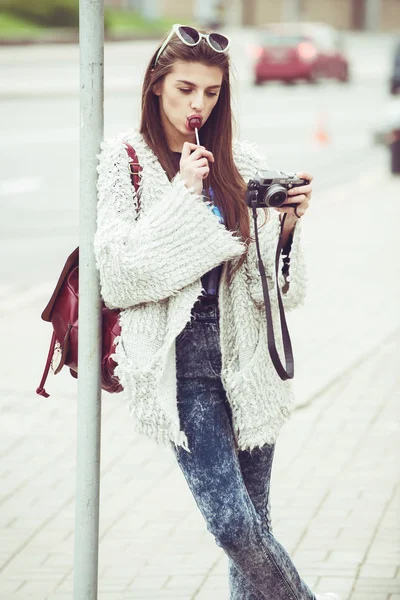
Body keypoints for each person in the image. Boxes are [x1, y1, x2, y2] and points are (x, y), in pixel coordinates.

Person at [94, 24, 342, 600]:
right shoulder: (125, 160)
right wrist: (183, 195)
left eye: (211, 92)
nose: (197, 104)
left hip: (247, 362)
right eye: (185, 89)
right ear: (156, 86)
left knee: (256, 527)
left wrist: (285, 228)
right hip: (181, 374)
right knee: (232, 526)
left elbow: (280, 293)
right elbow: (121, 276)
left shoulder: (242, 162)